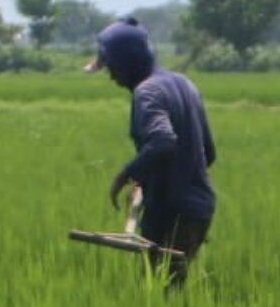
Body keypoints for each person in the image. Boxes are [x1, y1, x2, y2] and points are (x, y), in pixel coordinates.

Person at [87, 17, 218, 287]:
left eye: (111, 67)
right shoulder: (184, 84)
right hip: (198, 209)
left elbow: (162, 142)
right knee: (168, 291)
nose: (111, 76)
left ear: (127, 62)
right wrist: (148, 180)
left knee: (161, 295)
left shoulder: (147, 93)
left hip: (173, 212)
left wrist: (125, 175)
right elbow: (208, 152)